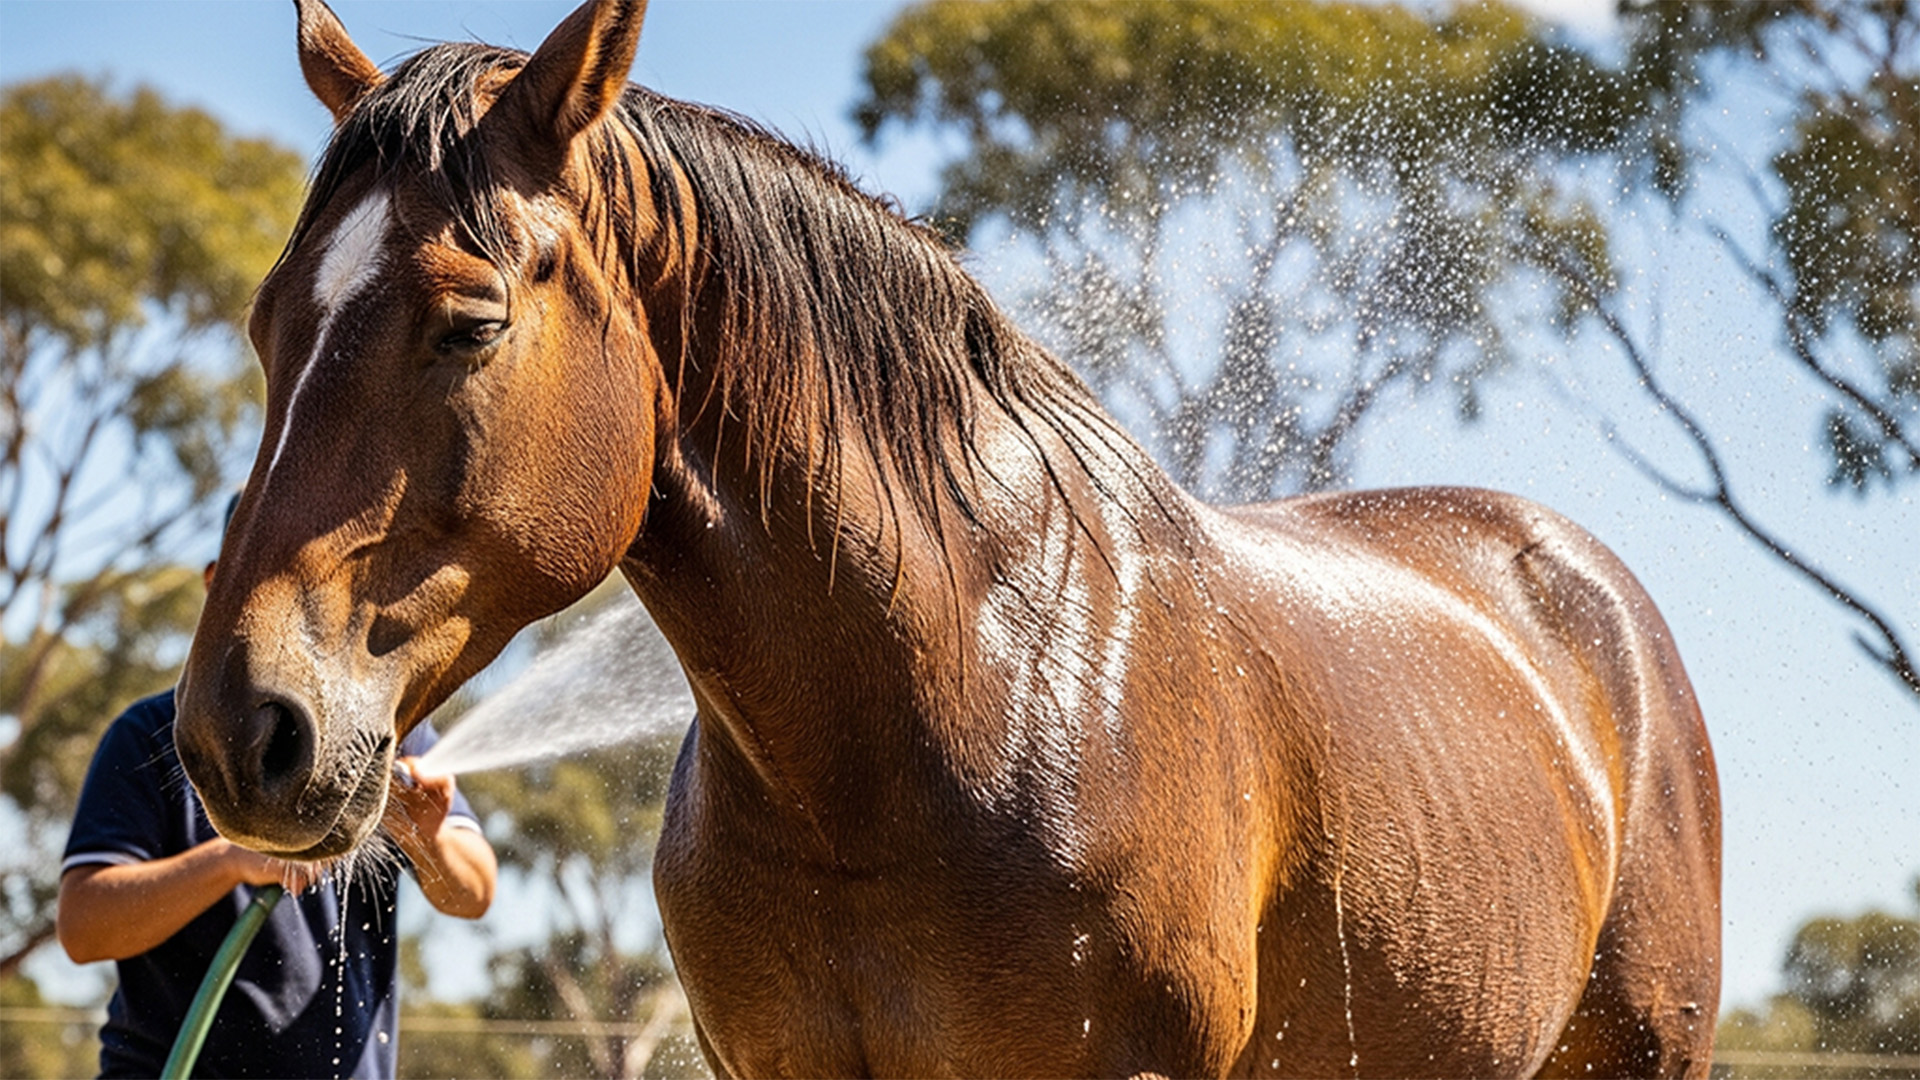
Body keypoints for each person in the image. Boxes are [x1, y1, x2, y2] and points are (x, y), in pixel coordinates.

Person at [56, 500, 498, 1078]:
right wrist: (231, 861)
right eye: (271, 575)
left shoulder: (387, 734)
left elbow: (474, 893)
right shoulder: (149, 736)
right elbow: (84, 928)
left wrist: (429, 834)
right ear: (217, 582)